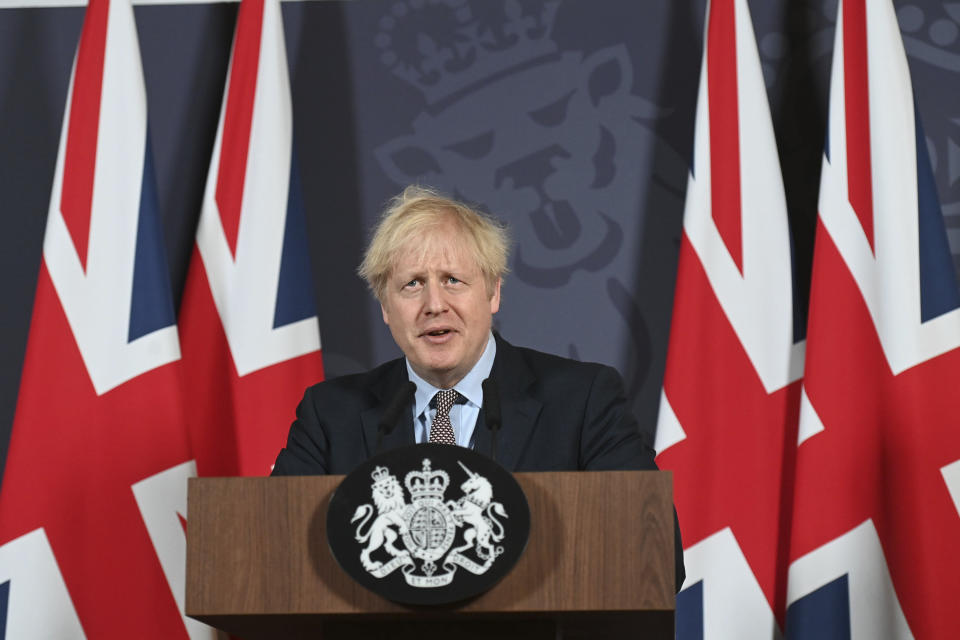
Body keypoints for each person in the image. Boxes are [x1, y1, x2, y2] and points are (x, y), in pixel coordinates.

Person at [271, 185, 684, 589]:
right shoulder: (329, 414)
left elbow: (656, 553)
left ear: (493, 292)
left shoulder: (582, 400)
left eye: (452, 279)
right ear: (385, 307)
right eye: (412, 284)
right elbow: (275, 553)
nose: (434, 304)